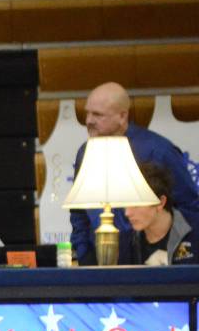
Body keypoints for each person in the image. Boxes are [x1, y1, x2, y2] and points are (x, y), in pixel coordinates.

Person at [70, 82, 199, 265]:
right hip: (98, 264)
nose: (89, 120)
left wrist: (173, 257)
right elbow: (78, 212)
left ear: (123, 116)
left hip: (147, 266)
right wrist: (83, 253)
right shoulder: (85, 152)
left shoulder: (159, 151)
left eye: (98, 114)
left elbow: (190, 208)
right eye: (87, 113)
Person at [125, 162, 198, 265]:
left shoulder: (195, 230)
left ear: (160, 203)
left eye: (136, 205)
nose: (127, 213)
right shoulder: (126, 242)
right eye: (126, 204)